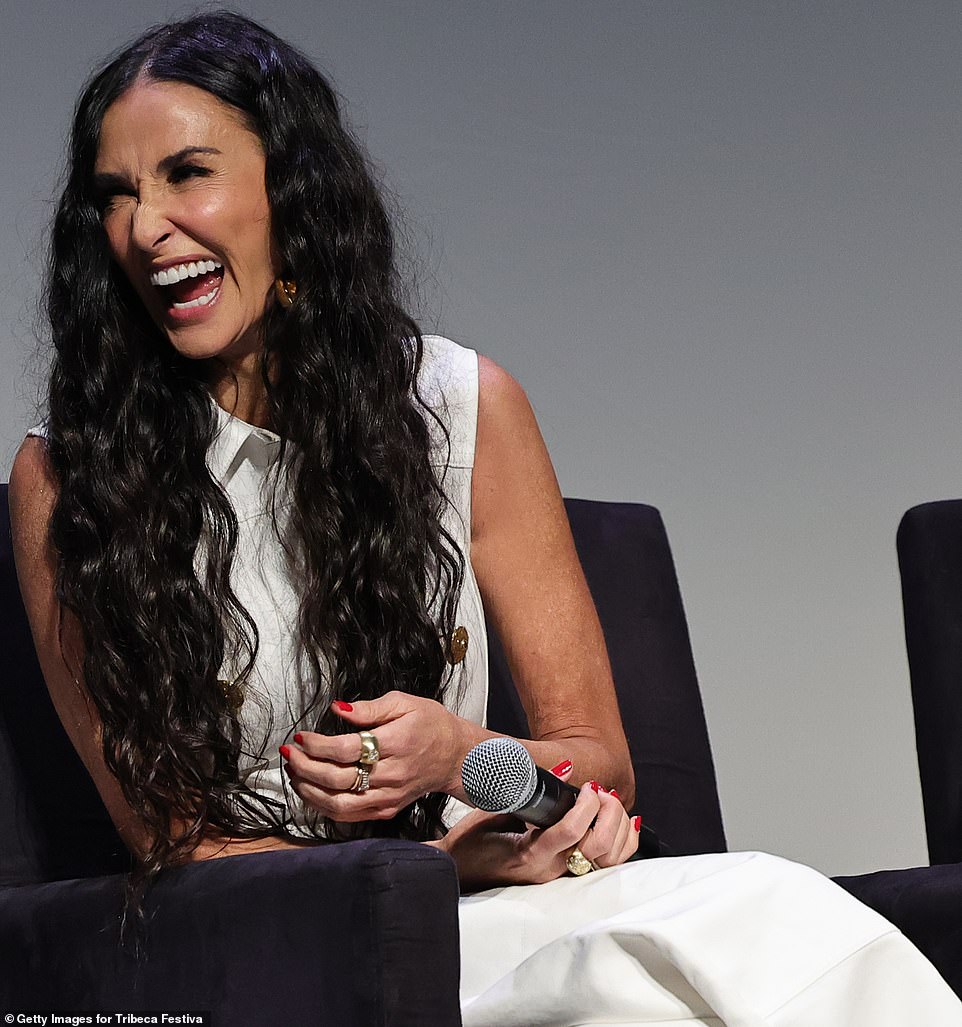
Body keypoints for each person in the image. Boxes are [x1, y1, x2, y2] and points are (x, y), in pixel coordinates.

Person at [8, 11, 962, 1025]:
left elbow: (595, 754)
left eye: (187, 173)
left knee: (770, 904)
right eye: (116, 196)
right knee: (635, 992)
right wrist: (429, 867)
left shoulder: (462, 405)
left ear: (288, 189)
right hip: (281, 958)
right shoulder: (71, 474)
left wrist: (463, 758)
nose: (144, 227)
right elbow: (171, 839)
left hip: (486, 904)